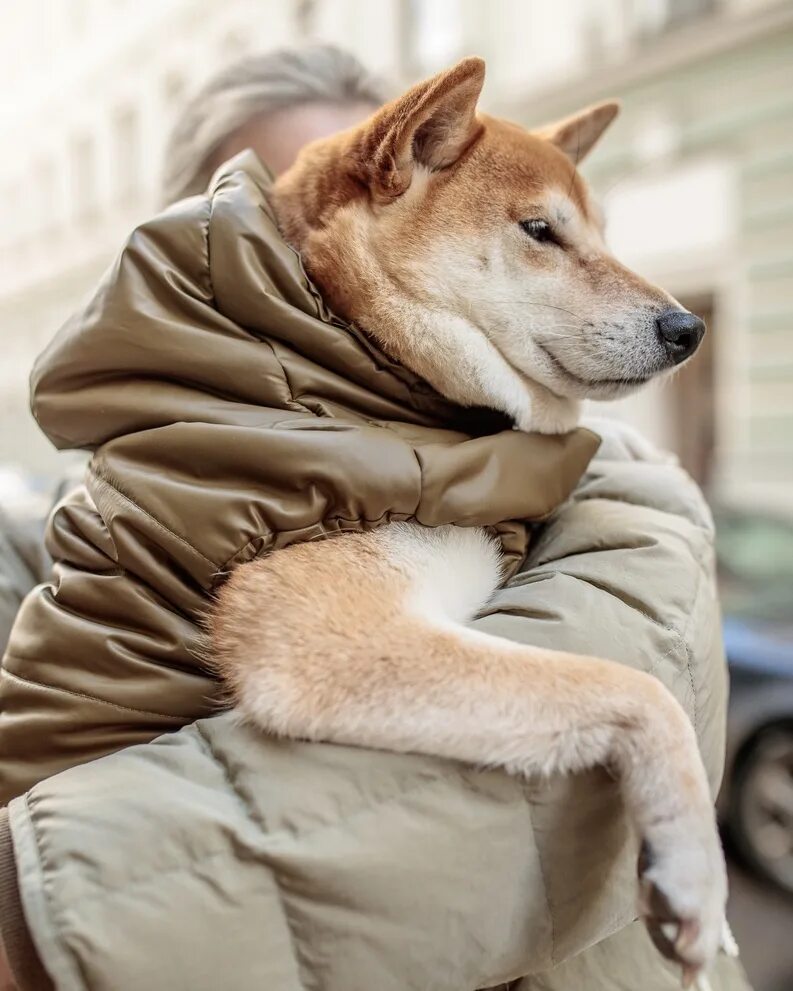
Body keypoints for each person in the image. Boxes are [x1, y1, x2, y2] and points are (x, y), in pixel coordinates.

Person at [0, 46, 751, 991]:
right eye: (541, 236)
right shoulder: (269, 471)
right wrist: (639, 720)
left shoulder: (463, 459)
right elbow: (324, 667)